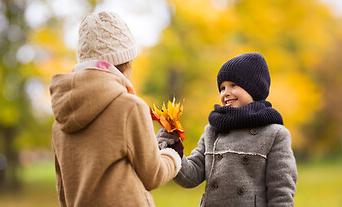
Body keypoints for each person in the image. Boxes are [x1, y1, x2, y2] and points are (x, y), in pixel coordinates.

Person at [49, 11, 181, 207]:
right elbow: (153, 175)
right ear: (126, 63)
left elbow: (63, 193)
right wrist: (172, 154)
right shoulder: (130, 107)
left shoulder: (59, 122)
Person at [157, 53, 298, 206]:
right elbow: (191, 176)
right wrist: (174, 148)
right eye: (222, 88)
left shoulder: (275, 134)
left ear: (254, 89)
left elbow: (281, 191)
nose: (225, 92)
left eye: (233, 85)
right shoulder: (212, 131)